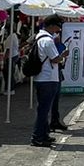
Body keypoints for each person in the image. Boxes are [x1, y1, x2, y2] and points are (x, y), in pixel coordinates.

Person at [31, 15, 64, 148]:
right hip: (48, 78)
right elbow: (55, 59)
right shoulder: (48, 41)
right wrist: (63, 56)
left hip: (42, 78)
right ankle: (38, 137)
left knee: (43, 108)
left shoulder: (39, 37)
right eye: (57, 26)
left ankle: (44, 134)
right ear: (51, 26)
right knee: (44, 110)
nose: (58, 29)